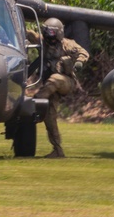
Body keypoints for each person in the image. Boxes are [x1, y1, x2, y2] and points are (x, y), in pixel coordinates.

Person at [26, 17, 89, 159]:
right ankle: (58, 150)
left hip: (66, 82)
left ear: (59, 34)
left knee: (54, 80)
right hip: (50, 87)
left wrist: (79, 62)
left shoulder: (68, 44)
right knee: (49, 117)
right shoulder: (42, 41)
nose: (49, 37)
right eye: (47, 33)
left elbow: (84, 53)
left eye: (52, 34)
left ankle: (34, 102)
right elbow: (28, 34)